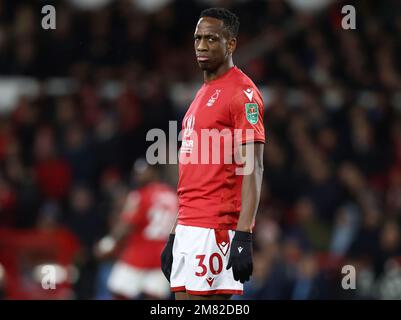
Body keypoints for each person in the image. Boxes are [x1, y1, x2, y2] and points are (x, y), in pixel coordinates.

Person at [161, 8, 265, 300]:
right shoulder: (201, 93)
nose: (201, 46)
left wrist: (244, 234)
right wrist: (174, 231)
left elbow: (254, 168)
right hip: (188, 227)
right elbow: (191, 173)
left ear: (231, 44)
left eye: (211, 38)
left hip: (214, 228)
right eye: (197, 38)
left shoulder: (242, 93)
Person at [95, 158, 177, 299]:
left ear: (153, 172)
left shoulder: (140, 195)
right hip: (162, 256)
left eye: (143, 172)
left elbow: (126, 224)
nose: (139, 176)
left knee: (118, 293)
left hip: (138, 254)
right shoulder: (173, 195)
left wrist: (108, 242)